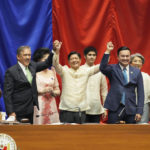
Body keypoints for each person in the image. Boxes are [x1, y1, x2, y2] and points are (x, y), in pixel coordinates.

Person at [52, 40, 101, 124]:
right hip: (66, 110)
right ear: (68, 62)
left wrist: (107, 52)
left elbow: (100, 67)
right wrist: (56, 51)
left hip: (81, 110)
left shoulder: (86, 71)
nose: (75, 60)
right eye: (72, 59)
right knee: (66, 135)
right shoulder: (64, 70)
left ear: (80, 60)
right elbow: (55, 64)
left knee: (81, 135)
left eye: (76, 58)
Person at [3, 45, 53, 124]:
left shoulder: (32, 66)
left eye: (29, 55)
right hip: (18, 111)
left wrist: (54, 52)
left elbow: (47, 63)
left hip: (30, 110)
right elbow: (7, 94)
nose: (27, 57)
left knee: (29, 134)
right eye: (25, 55)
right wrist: (11, 112)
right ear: (18, 57)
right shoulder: (11, 71)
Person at [100, 42, 144, 124]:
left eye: (127, 56)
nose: (125, 58)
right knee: (113, 134)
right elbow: (102, 67)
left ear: (130, 57)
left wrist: (139, 110)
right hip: (115, 108)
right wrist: (108, 51)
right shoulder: (112, 69)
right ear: (118, 57)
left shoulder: (136, 71)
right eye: (122, 56)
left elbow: (141, 92)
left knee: (131, 135)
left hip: (131, 109)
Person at [32, 48, 60, 124]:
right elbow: (29, 91)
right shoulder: (33, 72)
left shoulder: (52, 71)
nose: (47, 62)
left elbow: (57, 89)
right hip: (39, 105)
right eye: (45, 60)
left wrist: (54, 92)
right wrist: (42, 91)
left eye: (49, 60)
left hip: (51, 104)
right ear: (38, 60)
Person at [81, 46, 108, 123]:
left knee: (95, 133)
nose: (92, 57)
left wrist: (105, 108)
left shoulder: (100, 71)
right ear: (84, 56)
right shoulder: (79, 69)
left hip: (96, 107)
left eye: (94, 55)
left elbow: (104, 91)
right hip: (82, 108)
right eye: (89, 55)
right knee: (81, 133)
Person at [130, 53, 150, 124]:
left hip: (144, 105)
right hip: (128, 106)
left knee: (142, 129)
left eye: (140, 61)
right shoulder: (125, 75)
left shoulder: (146, 76)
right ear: (130, 63)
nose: (137, 63)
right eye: (135, 61)